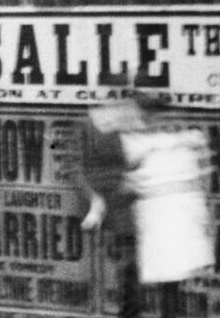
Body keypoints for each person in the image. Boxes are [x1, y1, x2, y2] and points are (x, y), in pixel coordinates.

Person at [81, 88, 212, 318]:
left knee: (167, 279)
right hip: (138, 219)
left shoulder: (166, 140)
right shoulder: (120, 133)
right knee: (137, 282)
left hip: (161, 220)